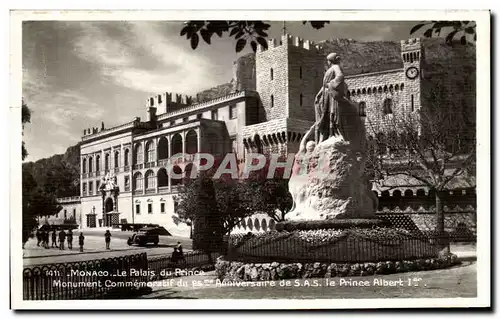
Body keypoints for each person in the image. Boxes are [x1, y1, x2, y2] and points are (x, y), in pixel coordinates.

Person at [314, 52, 350, 144]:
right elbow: (324, 84)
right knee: (328, 114)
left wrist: (330, 84)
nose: (328, 62)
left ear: (332, 61)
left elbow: (340, 77)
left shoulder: (335, 67)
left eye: (329, 61)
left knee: (332, 114)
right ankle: (329, 134)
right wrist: (319, 93)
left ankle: (334, 133)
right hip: (327, 94)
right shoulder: (331, 68)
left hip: (331, 95)